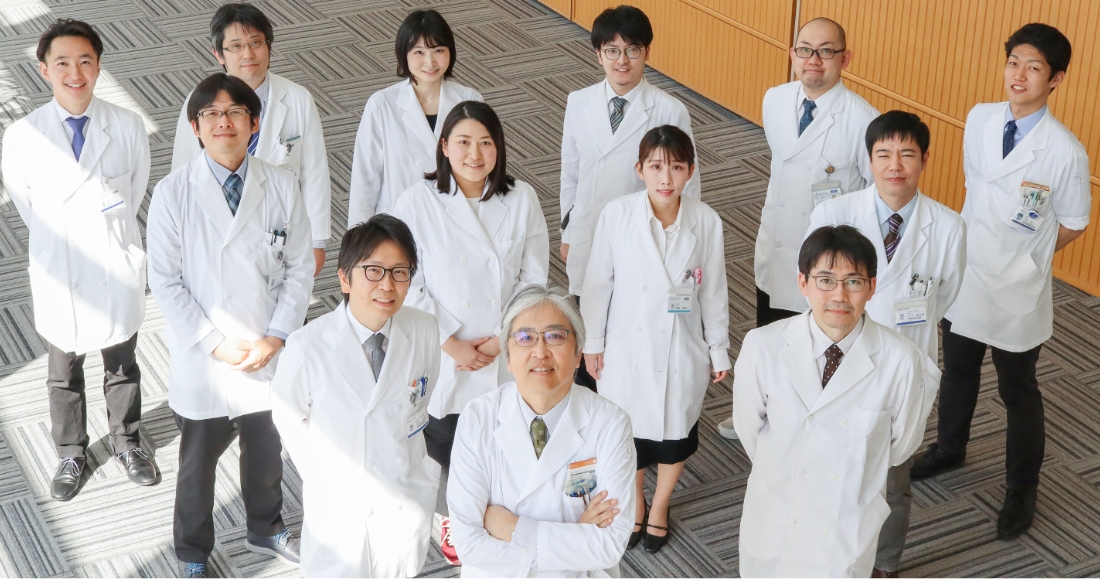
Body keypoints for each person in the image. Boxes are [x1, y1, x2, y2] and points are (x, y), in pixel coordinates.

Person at [910, 23, 1091, 541]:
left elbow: (1075, 222)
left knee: (1018, 389)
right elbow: (975, 186)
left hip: (1016, 288)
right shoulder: (980, 118)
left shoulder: (1065, 151)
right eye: (1014, 62)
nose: (1020, 75)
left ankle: (1021, 489)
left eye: (1034, 67)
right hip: (967, 272)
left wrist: (1030, 258)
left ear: (1055, 79)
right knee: (958, 369)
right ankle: (950, 448)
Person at [147, 73, 314, 579]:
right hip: (206, 355)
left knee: (266, 450)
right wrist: (214, 343)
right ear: (195, 127)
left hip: (265, 347)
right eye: (212, 114)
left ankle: (266, 527)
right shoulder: (173, 192)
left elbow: (300, 269)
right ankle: (192, 552)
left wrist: (276, 336)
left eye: (236, 112)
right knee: (196, 463)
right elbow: (165, 281)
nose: (224, 122)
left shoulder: (281, 185)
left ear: (254, 124)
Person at [1, 18, 157, 502]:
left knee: (122, 364)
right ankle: (71, 450)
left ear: (98, 66)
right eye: (63, 62)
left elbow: (133, 192)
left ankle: (127, 441)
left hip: (113, 263)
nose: (75, 73)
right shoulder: (23, 136)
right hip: (61, 271)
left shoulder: (127, 125)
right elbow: (28, 207)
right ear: (44, 70)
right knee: (63, 370)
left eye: (85, 61)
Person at [807, 111, 966, 577]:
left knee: (892, 480)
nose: (895, 165)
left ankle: (884, 565)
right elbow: (814, 291)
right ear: (869, 159)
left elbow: (945, 295)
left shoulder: (949, 227)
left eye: (907, 154)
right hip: (837, 363)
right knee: (828, 470)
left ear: (925, 160)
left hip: (903, 370)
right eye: (884, 154)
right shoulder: (834, 215)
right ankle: (824, 555)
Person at [391, 100, 549, 563]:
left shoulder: (521, 199)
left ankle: (498, 512)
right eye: (463, 142)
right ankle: (449, 517)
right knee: (441, 437)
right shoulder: (416, 201)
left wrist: (505, 336)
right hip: (441, 347)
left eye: (485, 143)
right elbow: (407, 280)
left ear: (499, 148)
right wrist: (450, 342)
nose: (475, 154)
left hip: (505, 346)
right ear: (444, 147)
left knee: (499, 437)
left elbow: (533, 278)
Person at [733, 225, 933, 577]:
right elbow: (748, 429)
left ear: (871, 287)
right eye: (825, 280)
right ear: (803, 282)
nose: (839, 295)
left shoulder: (901, 359)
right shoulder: (762, 346)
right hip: (776, 520)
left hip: (844, 530)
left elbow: (901, 446)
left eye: (853, 281)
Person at [580, 125, 730, 553]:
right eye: (656, 167)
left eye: (677, 168)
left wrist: (718, 348)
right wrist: (593, 343)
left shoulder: (706, 221)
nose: (666, 178)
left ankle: (660, 504)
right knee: (629, 437)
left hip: (681, 349)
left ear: (691, 171)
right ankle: (636, 501)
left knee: (674, 436)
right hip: (625, 347)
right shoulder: (617, 215)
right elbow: (598, 285)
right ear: (640, 169)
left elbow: (713, 290)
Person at [272, 215, 441, 577]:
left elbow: (420, 401)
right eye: (374, 271)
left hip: (402, 499)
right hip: (342, 510)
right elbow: (288, 419)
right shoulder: (306, 347)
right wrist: (327, 480)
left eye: (400, 272)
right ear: (345, 278)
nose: (387, 285)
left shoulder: (424, 329)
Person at [447, 285, 636, 577]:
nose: (540, 351)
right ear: (508, 357)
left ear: (578, 353)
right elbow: (468, 544)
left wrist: (513, 529)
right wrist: (577, 537)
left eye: (555, 336)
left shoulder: (611, 423)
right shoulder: (477, 418)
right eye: (525, 338)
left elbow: (610, 545)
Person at [559, 5, 699, 390]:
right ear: (598, 54)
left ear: (647, 52)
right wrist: (567, 231)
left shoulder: (669, 111)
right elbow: (571, 172)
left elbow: (688, 187)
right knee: (585, 332)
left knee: (630, 330)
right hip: (588, 234)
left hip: (642, 242)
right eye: (612, 51)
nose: (622, 61)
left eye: (632, 50)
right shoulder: (579, 101)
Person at [171, 3, 331, 277]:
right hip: (215, 230)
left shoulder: (298, 99)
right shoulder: (200, 102)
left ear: (269, 45)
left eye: (256, 42)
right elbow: (183, 172)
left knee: (282, 296)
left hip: (277, 229)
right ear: (218, 54)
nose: (248, 54)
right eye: (236, 46)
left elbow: (314, 173)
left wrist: (317, 242)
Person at [347, 9, 483, 223]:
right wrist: (358, 235)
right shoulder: (382, 104)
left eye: (438, 50)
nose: (430, 62)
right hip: (399, 223)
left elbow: (483, 166)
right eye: (419, 52)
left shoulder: (469, 100)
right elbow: (365, 179)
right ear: (404, 55)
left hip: (455, 221)